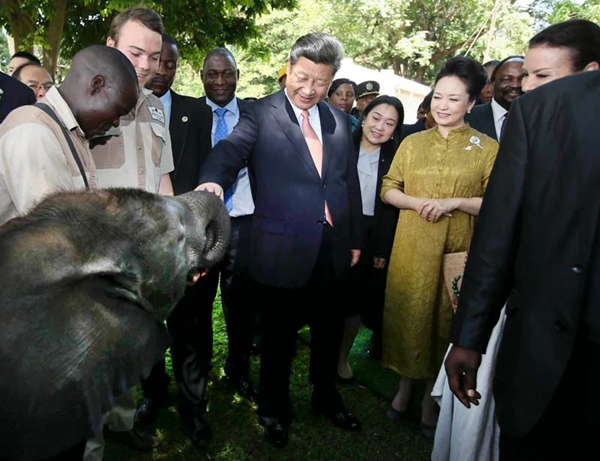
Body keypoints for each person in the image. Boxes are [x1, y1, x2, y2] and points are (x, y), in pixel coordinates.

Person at [442, 19, 600, 461]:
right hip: (539, 350)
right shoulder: (532, 119)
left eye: (542, 76)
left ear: (590, 73)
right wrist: (469, 336)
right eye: (526, 75)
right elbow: (499, 234)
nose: (527, 87)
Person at [197, 32, 363, 449]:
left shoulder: (339, 121)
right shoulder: (260, 113)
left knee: (328, 330)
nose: (309, 89)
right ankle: (273, 410)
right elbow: (230, 150)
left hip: (331, 245)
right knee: (278, 337)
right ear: (288, 67)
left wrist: (353, 237)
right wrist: (212, 181)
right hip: (282, 247)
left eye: (321, 82)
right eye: (302, 77)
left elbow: (347, 183)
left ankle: (326, 396)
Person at [0, 45, 139, 459]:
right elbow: (60, 247)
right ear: (96, 85)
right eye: (117, 112)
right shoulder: (35, 132)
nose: (115, 123)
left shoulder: (67, 132)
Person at [380, 55, 498, 439]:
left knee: (445, 322)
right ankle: (404, 389)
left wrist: (456, 202)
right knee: (410, 314)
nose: (442, 106)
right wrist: (415, 202)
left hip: (457, 251)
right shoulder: (412, 143)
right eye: (438, 97)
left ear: (472, 103)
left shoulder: (487, 148)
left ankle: (432, 402)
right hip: (411, 246)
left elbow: (497, 203)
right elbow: (388, 188)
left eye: (453, 99)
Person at [83, 6, 175, 459]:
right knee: (92, 357)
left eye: (153, 57)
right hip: (97, 256)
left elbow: (163, 178)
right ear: (111, 45)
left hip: (144, 257)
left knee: (130, 348)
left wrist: (173, 238)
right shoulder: (86, 101)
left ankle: (121, 424)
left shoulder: (156, 106)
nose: (145, 65)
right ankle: (90, 446)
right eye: (135, 52)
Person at [135, 33, 213, 429]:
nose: (162, 70)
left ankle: (192, 404)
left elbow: (204, 175)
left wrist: (198, 239)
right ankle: (153, 393)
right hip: (139, 241)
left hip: (186, 240)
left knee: (190, 327)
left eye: (171, 64)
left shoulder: (196, 112)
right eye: (157, 62)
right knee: (146, 325)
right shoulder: (123, 110)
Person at [336, 95, 403, 382]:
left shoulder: (396, 160)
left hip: (371, 235)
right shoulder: (340, 146)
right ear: (363, 117)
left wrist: (382, 249)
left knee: (354, 302)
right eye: (376, 118)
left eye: (389, 123)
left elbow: (390, 211)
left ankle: (341, 358)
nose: (380, 127)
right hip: (336, 229)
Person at [466, 56, 524, 140]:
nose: (515, 85)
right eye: (506, 79)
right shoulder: (466, 118)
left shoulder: (540, 119)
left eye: (522, 79)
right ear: (493, 84)